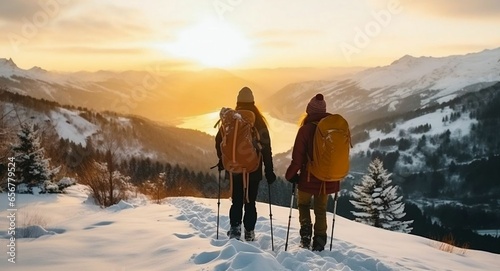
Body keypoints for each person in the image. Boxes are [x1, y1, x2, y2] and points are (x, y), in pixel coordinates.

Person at [215, 86, 276, 241]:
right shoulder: (258, 121)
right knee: (250, 202)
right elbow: (266, 147)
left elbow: (219, 141)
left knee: (236, 200)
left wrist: (222, 161)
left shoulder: (231, 119)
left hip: (233, 167)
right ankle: (249, 232)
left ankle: (235, 230)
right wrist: (269, 171)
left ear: (237, 102)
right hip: (253, 169)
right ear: (253, 101)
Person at [285, 93, 340, 251]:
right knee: (321, 210)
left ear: (309, 111)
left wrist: (290, 176)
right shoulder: (332, 129)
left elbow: (297, 160)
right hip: (326, 179)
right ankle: (320, 240)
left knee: (303, 204)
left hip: (308, 178)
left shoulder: (305, 130)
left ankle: (306, 234)